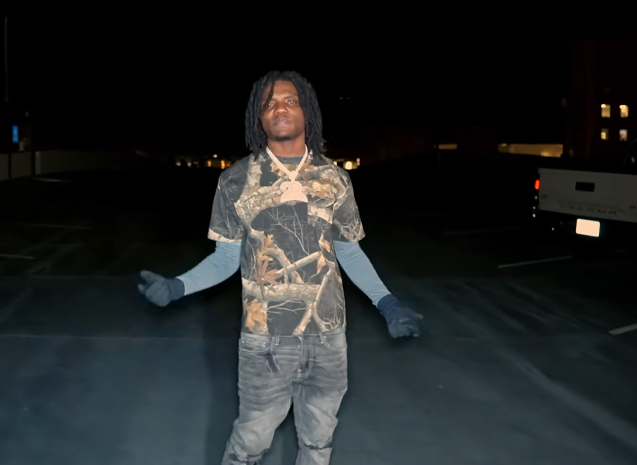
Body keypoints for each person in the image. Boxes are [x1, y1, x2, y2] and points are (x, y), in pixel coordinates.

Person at [138, 70, 423, 465]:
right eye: (269, 103)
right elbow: (226, 258)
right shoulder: (235, 180)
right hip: (265, 340)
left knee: (318, 444)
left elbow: (350, 252)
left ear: (307, 112)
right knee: (249, 444)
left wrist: (387, 303)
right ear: (259, 117)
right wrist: (177, 286)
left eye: (290, 100)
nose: (280, 108)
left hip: (328, 338)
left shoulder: (335, 179)